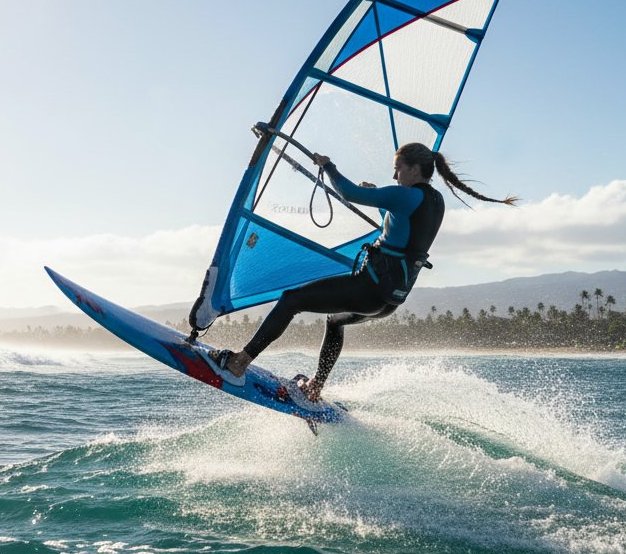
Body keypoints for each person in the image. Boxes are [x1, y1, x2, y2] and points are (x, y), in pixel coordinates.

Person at [203, 142, 516, 401]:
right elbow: (403, 227)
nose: (395, 175)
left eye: (399, 168)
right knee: (335, 321)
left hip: (368, 289)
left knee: (290, 300)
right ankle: (315, 387)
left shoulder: (404, 195)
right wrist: (381, 201)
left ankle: (239, 362)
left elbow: (351, 193)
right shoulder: (435, 201)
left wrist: (328, 166)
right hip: (390, 299)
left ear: (414, 169)